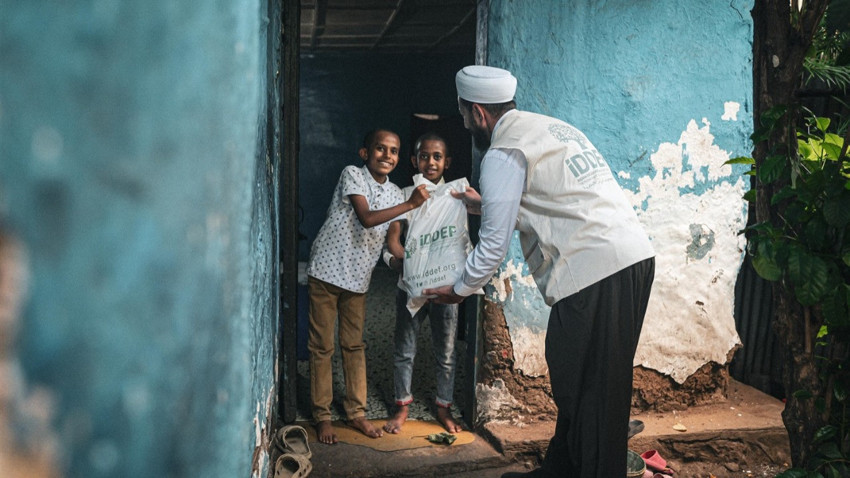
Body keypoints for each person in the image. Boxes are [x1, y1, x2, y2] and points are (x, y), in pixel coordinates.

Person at [424, 66, 656, 478]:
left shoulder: (503, 152)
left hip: (595, 270)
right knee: (587, 384)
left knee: (588, 394)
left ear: (477, 112)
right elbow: (554, 201)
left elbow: (492, 248)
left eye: (463, 115)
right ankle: (558, 471)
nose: (465, 125)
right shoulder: (548, 129)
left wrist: (458, 290)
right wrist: (485, 205)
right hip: (630, 258)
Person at [307, 129, 429, 445]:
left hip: (358, 279)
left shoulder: (396, 194)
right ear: (365, 153)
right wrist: (410, 204)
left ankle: (356, 412)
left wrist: (413, 263)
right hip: (326, 271)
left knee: (353, 345)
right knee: (322, 346)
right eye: (380, 148)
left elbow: (392, 242)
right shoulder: (353, 174)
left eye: (394, 151)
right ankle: (322, 416)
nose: (387, 155)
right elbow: (366, 218)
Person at [381, 133, 463, 435]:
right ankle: (402, 405)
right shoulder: (405, 195)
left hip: (446, 291)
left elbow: (460, 242)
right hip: (410, 286)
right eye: (424, 156)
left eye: (437, 156)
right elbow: (393, 241)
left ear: (447, 162)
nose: (431, 162)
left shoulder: (456, 197)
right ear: (414, 160)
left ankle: (443, 407)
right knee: (405, 349)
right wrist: (407, 263)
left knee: (446, 353)